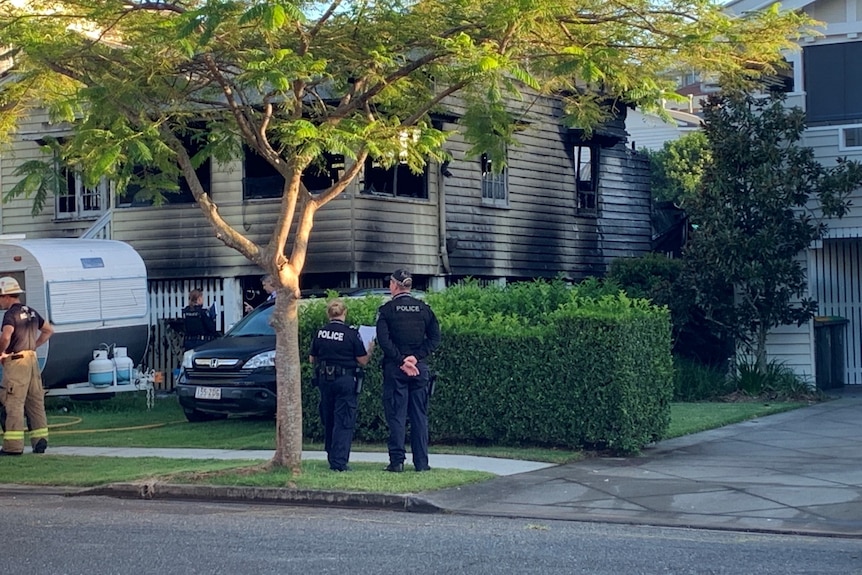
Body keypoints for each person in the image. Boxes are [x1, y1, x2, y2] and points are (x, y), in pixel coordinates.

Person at [375, 268, 440, 472]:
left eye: (390, 283)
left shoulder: (386, 311)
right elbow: (435, 338)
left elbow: (384, 341)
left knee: (397, 416)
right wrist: (416, 357)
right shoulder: (424, 309)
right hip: (419, 369)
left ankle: (397, 462)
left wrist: (402, 360)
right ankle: (422, 463)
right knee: (419, 416)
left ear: (395, 285)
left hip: (395, 369)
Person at [309, 299, 373, 472]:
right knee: (344, 420)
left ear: (328, 314)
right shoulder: (351, 334)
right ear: (344, 313)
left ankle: (331, 454)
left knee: (329, 418)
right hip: (345, 380)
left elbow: (312, 358)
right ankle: (339, 462)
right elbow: (362, 360)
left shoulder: (321, 333)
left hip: (324, 380)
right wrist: (371, 348)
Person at [0, 276, 54, 456]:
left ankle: (13, 447)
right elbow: (48, 330)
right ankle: (40, 442)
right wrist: (34, 346)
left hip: (17, 362)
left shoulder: (10, 314)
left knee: (13, 402)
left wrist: (1, 352)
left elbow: (6, 336)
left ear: (6, 296)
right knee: (35, 402)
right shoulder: (30, 311)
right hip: (32, 360)